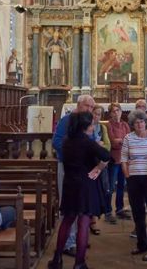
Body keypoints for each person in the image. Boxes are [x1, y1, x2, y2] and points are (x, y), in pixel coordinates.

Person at [48, 112, 111, 269]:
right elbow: (106, 155)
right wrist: (98, 167)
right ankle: (79, 263)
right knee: (83, 223)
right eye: (90, 124)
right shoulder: (87, 142)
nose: (92, 126)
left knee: (67, 221)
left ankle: (57, 259)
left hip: (70, 184)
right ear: (85, 126)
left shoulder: (67, 140)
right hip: (85, 186)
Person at [52, 95, 96, 256]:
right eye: (87, 106)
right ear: (79, 105)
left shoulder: (87, 121)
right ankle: (68, 243)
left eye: (92, 107)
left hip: (83, 170)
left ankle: (79, 239)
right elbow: (56, 141)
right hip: (67, 167)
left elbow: (90, 141)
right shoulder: (67, 120)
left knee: (82, 207)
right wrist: (75, 155)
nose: (90, 110)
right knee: (70, 208)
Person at [122, 110, 147, 261]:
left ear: (146, 123)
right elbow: (124, 158)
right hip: (134, 179)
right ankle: (141, 244)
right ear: (133, 124)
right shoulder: (128, 138)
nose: (139, 124)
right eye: (136, 122)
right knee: (138, 213)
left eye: (142, 122)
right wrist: (127, 176)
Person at [105, 102, 132, 224]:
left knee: (121, 185)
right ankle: (107, 211)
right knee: (111, 186)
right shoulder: (108, 125)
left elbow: (129, 140)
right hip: (114, 159)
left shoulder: (125, 125)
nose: (116, 113)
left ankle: (120, 208)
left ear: (121, 111)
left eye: (118, 110)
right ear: (110, 114)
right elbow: (112, 142)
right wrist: (121, 141)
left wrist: (120, 141)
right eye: (113, 111)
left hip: (124, 159)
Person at [90, 105, 111, 235]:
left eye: (99, 114)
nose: (96, 116)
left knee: (101, 190)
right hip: (89, 163)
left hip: (100, 163)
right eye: (95, 113)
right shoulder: (85, 126)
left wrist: (100, 146)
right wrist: (97, 145)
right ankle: (91, 221)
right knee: (91, 192)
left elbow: (108, 145)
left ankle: (95, 218)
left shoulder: (102, 127)